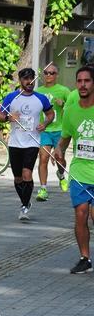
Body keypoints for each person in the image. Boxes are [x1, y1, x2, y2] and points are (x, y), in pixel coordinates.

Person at [0, 67, 54, 220]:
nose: (29, 82)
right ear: (21, 81)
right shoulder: (11, 97)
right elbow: (0, 116)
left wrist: (46, 123)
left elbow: (50, 114)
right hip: (15, 143)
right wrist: (9, 118)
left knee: (27, 174)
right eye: (26, 79)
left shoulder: (41, 98)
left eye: (32, 78)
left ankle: (24, 206)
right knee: (17, 178)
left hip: (32, 142)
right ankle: (25, 203)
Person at [57, 66, 94, 273]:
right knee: (81, 215)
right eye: (79, 81)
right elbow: (64, 139)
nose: (82, 85)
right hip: (79, 172)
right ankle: (85, 258)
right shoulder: (70, 112)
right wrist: (59, 151)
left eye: (87, 81)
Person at [35, 62, 70, 200]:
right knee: (43, 158)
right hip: (44, 130)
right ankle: (43, 189)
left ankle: (61, 175)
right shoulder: (38, 91)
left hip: (60, 130)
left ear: (57, 75)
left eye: (52, 73)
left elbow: (74, 108)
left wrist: (64, 104)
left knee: (60, 158)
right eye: (46, 73)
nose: (48, 75)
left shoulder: (64, 90)